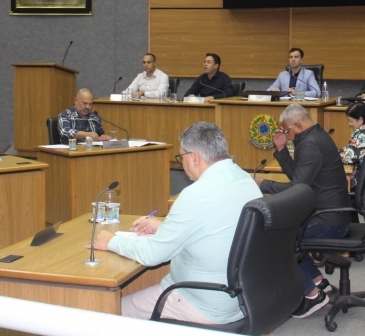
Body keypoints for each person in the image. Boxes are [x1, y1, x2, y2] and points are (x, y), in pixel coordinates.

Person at [92, 122, 261, 323]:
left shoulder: (195, 195)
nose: (182, 164)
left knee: (108, 311)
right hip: (241, 298)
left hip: (200, 300)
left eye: (182, 158)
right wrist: (164, 228)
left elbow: (152, 255)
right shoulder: (245, 179)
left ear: (194, 157)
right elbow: (214, 228)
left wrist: (111, 241)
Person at [257, 104, 350, 318]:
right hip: (334, 215)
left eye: (286, 130)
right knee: (290, 234)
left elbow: (297, 188)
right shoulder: (315, 136)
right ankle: (318, 281)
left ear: (298, 125)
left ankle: (311, 294)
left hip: (327, 221)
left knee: (276, 239)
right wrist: (282, 150)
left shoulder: (309, 144)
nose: (286, 135)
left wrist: (263, 184)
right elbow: (300, 178)